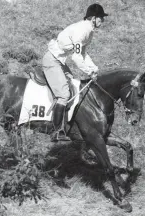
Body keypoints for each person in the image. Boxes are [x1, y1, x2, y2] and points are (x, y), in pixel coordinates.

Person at [42, 3, 108, 142]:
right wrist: (90, 72)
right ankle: (56, 131)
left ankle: (67, 125)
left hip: (60, 61)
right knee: (64, 94)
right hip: (52, 60)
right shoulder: (82, 31)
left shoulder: (88, 31)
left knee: (72, 85)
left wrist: (94, 68)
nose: (103, 20)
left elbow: (83, 53)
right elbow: (76, 57)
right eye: (101, 17)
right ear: (93, 18)